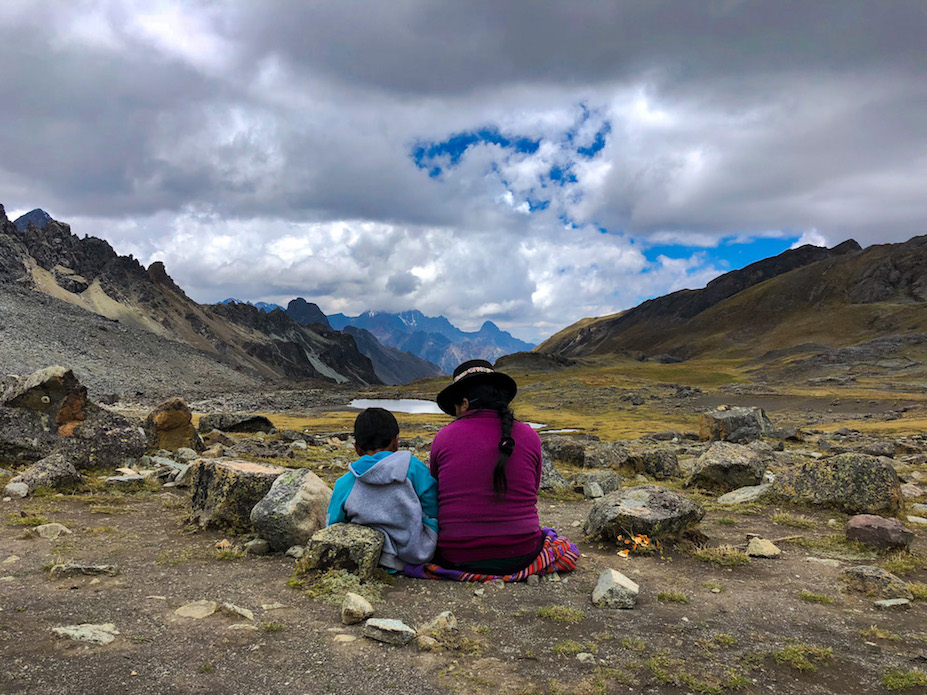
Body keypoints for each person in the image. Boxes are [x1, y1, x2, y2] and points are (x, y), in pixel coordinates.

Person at [428, 359, 546, 574]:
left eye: (455, 407)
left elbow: (437, 492)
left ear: (464, 404)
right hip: (522, 552)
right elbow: (533, 489)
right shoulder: (530, 436)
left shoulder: (443, 437)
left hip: (456, 555)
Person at [326, 407, 438, 571]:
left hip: (372, 557)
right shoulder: (413, 467)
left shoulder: (345, 483)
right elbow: (432, 505)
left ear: (357, 448)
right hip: (419, 553)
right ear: (396, 441)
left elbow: (333, 525)